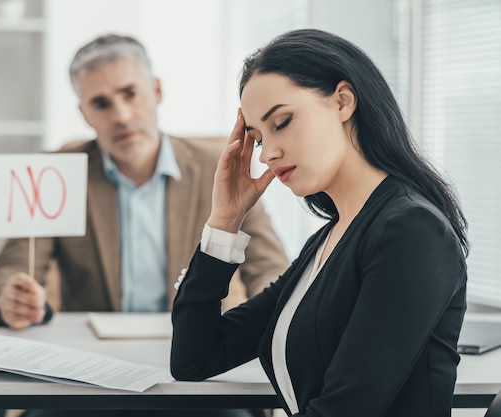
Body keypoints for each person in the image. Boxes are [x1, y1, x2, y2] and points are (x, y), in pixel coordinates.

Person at [0, 34, 289, 417]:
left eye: (130, 93)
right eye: (101, 103)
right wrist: (11, 298)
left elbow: (271, 270)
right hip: (92, 373)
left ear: (156, 90)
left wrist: (270, 317)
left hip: (194, 368)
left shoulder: (222, 170)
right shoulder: (58, 173)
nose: (121, 115)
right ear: (84, 114)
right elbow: (9, 271)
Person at [170, 28, 469, 417]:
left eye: (282, 122)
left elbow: (347, 409)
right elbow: (195, 359)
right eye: (258, 139)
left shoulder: (412, 231)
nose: (267, 155)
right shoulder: (330, 238)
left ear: (343, 101)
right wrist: (224, 222)